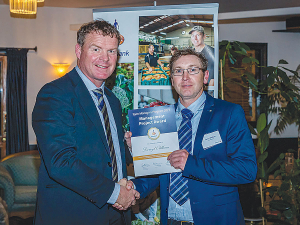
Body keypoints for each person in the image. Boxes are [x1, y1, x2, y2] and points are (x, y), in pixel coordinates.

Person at [124, 48, 257, 225]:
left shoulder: (229, 114)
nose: (185, 77)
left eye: (193, 70)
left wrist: (191, 164)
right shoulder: (161, 119)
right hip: (170, 220)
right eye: (178, 71)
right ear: (172, 80)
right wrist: (136, 183)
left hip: (216, 220)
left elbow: (246, 170)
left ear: (206, 76)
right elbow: (162, 171)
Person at [32, 20, 139, 225]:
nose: (105, 58)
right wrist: (116, 193)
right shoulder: (55, 94)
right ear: (78, 50)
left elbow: (105, 154)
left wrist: (129, 148)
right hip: (74, 214)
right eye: (96, 49)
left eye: (112, 51)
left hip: (117, 214)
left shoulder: (112, 100)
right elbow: (61, 162)